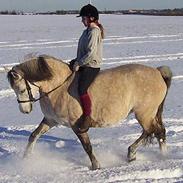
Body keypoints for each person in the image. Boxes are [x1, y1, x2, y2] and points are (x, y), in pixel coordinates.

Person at [71, 4, 104, 133]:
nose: (82, 21)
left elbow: (91, 53)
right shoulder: (87, 31)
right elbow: (83, 51)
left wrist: (79, 63)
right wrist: (76, 60)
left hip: (91, 66)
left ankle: (87, 116)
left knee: (81, 88)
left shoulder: (94, 31)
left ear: (91, 18)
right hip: (84, 63)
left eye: (83, 18)